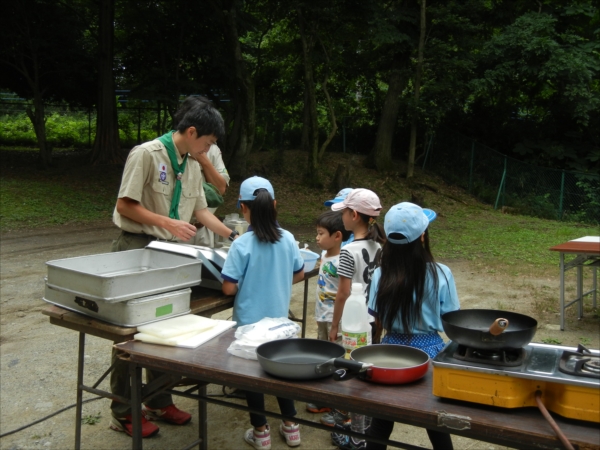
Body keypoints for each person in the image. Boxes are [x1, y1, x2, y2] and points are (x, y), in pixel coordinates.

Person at [109, 100, 239, 438]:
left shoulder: (192, 164)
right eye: (208, 143)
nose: (209, 150)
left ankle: (157, 399)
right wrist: (167, 222)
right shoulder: (147, 154)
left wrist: (235, 235)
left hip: (171, 254)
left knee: (169, 327)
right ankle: (122, 410)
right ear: (192, 131)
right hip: (136, 250)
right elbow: (125, 205)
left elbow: (201, 210)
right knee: (132, 333)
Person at [366, 202, 460, 450]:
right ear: (422, 236)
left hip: (389, 356)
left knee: (381, 423)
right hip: (430, 354)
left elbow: (375, 318)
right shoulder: (441, 273)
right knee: (436, 424)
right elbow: (453, 322)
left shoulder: (380, 274)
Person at [220, 176, 305, 450]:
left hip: (248, 324)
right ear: (275, 205)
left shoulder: (241, 244)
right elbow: (300, 272)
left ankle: (261, 433)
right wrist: (277, 280)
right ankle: (291, 427)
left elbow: (228, 289)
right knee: (281, 372)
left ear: (243, 208)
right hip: (279, 321)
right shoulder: (289, 239)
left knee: (252, 377)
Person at [327, 188, 386, 449]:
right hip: (375, 322)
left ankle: (354, 432)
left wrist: (334, 326)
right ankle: (367, 428)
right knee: (368, 371)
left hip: (353, 325)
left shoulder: (349, 251)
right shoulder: (381, 246)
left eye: (344, 214)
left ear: (353, 215)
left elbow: (343, 294)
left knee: (351, 375)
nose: (342, 219)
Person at [172, 96, 230, 247]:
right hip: (174, 231)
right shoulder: (162, 151)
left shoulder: (210, 148)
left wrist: (203, 159)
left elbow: (221, 188)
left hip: (203, 228)